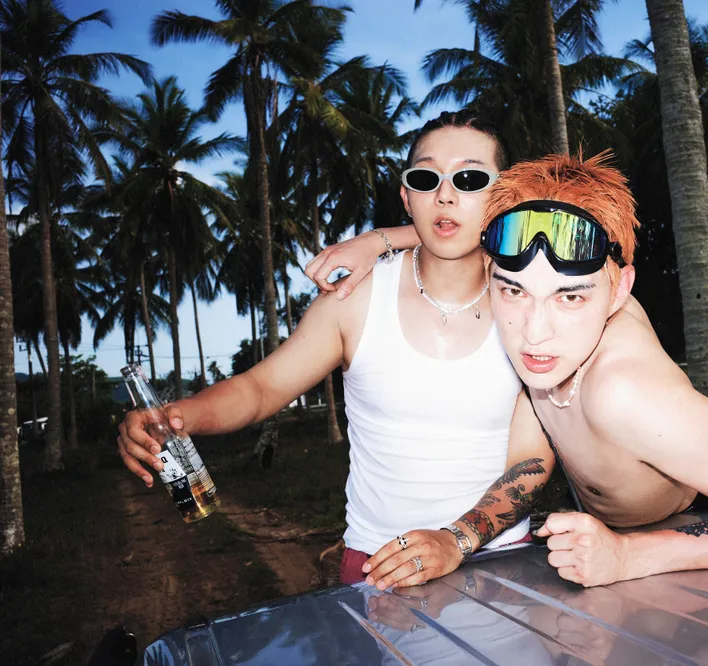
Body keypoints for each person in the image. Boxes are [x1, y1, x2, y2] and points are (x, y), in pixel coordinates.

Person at [310, 152, 708, 589]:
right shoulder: (544, 331)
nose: (535, 332)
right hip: (592, 529)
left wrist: (628, 556)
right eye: (514, 291)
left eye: (570, 297)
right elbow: (459, 232)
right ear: (491, 274)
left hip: (682, 537)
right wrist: (378, 241)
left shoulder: (626, 390)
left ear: (619, 291)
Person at [116, 110, 553, 585]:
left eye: (469, 179)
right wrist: (179, 416)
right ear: (407, 198)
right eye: (426, 179)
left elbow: (530, 460)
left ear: (503, 195)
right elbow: (261, 387)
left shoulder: (530, 300)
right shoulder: (354, 301)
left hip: (498, 562)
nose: (445, 195)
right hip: (378, 569)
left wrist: (454, 540)